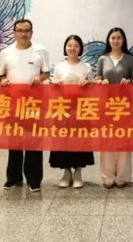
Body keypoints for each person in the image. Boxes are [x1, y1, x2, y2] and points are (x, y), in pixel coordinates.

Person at [0, 19, 50, 192]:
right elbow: (1, 75)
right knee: (14, 141)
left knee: (34, 141)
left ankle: (34, 180)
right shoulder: (6, 52)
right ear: (14, 33)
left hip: (34, 103)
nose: (23, 34)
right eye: (19, 30)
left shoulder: (41, 50)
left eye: (27, 30)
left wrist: (39, 78)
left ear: (32, 32)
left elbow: (46, 73)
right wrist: (3, 81)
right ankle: (14, 178)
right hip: (13, 104)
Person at [49, 34, 95, 189]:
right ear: (65, 48)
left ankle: (78, 172)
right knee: (64, 140)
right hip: (63, 109)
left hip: (81, 109)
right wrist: (56, 84)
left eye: (76, 46)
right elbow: (53, 89)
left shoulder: (86, 67)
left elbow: (93, 89)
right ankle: (66, 172)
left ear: (80, 48)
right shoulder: (59, 67)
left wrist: (87, 84)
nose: (72, 48)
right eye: (69, 45)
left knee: (79, 140)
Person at [95, 27, 133, 189]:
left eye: (119, 38)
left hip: (124, 105)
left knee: (124, 140)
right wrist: (101, 82)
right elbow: (97, 78)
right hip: (106, 105)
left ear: (123, 40)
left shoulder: (130, 59)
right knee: (107, 140)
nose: (116, 41)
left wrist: (128, 82)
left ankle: (122, 177)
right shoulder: (102, 59)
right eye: (113, 38)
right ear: (108, 40)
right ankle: (108, 177)